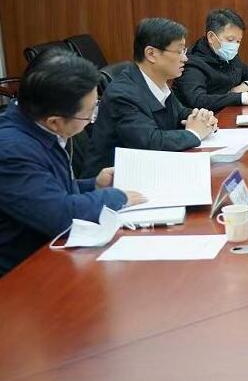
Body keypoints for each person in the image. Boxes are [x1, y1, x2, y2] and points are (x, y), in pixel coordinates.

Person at [0, 51, 144, 276]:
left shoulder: (35, 125)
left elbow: (45, 190)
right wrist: (117, 197)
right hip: (20, 273)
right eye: (89, 114)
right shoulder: (12, 151)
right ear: (55, 122)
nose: (92, 120)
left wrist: (94, 185)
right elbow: (60, 215)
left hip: (49, 254)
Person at [85, 18, 218, 176]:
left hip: (149, 170)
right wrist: (194, 133)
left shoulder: (157, 81)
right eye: (179, 51)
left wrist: (202, 118)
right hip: (112, 182)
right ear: (151, 54)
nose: (185, 58)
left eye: (184, 51)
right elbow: (150, 142)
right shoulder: (122, 94)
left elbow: (179, 113)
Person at [174, 8, 248, 111]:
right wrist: (242, 98)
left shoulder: (229, 56)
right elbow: (198, 100)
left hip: (229, 112)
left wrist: (244, 86)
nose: (234, 46)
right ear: (211, 37)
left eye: (238, 41)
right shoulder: (193, 63)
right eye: (230, 40)